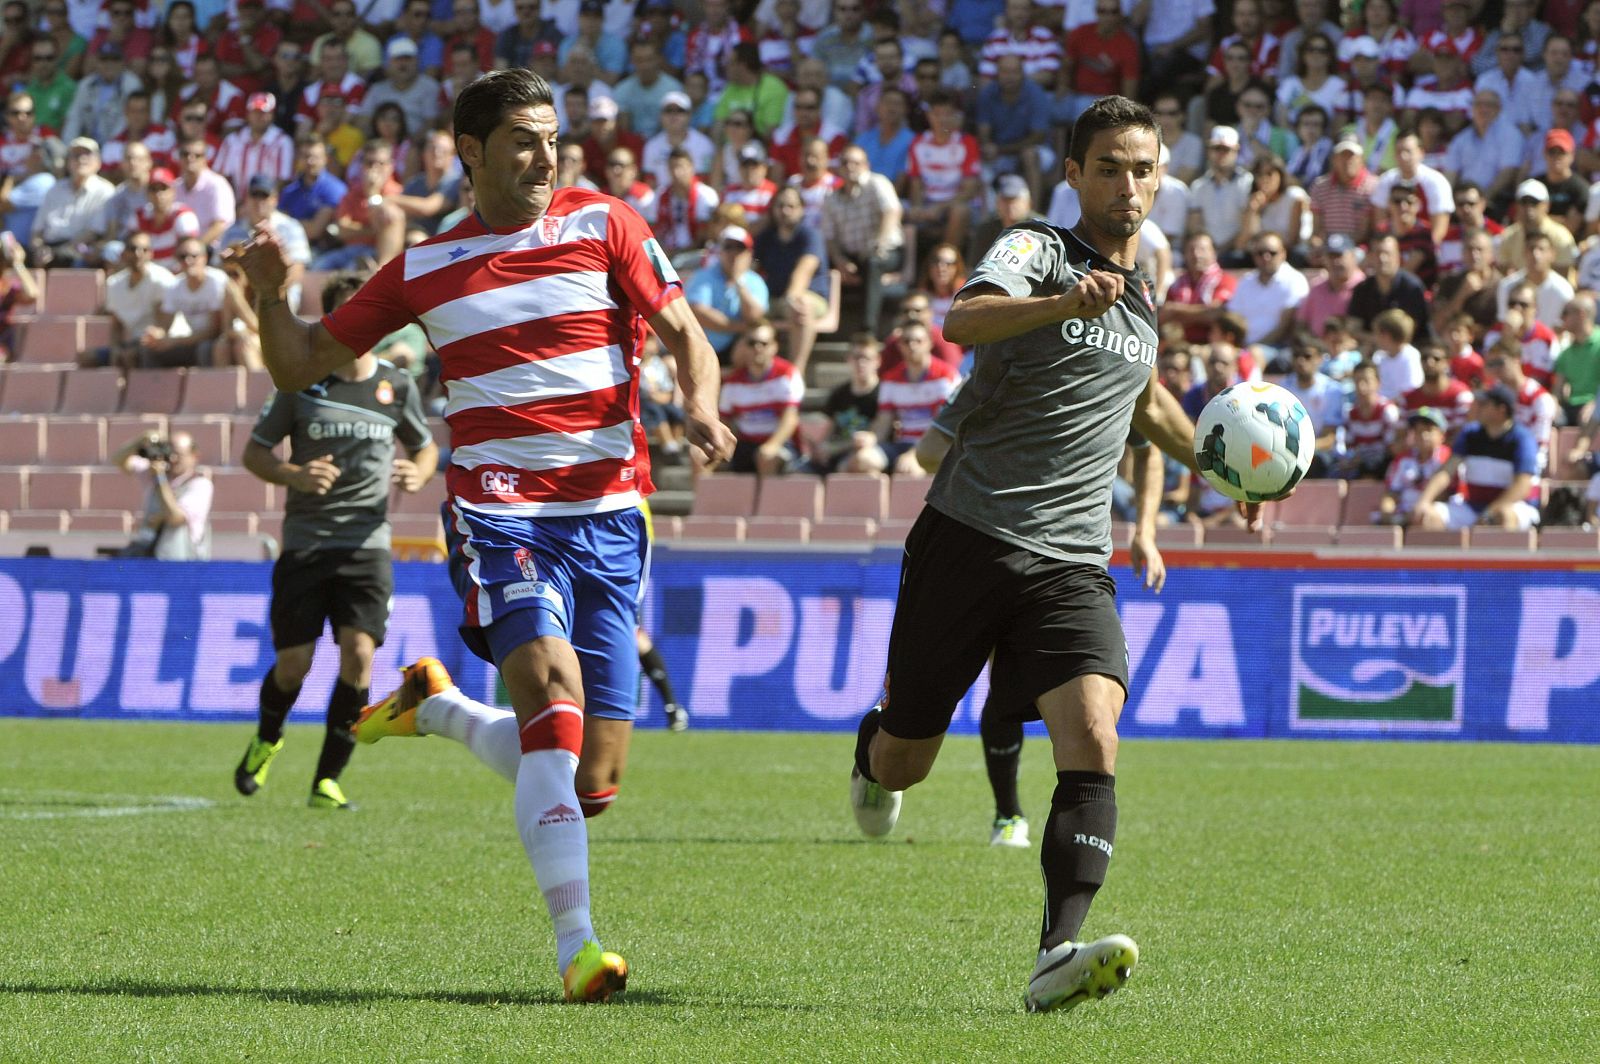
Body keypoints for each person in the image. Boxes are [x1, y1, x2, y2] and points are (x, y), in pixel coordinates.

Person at [239, 68, 734, 1005]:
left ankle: (437, 707)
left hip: (611, 513)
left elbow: (684, 334)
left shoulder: (607, 224)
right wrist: (269, 296)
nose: (545, 157)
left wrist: (702, 405)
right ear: (469, 151)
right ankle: (578, 948)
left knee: (591, 780)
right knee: (551, 690)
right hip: (500, 510)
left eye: (552, 139)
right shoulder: (424, 269)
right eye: (522, 140)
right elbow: (301, 363)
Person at [847, 96, 1254, 1015]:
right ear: (1075, 174)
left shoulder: (1143, 297)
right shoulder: (1037, 248)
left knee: (1095, 735)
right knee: (907, 760)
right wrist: (1064, 300)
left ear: (1162, 178)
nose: (1128, 185)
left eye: (1143, 169)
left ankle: (1055, 952)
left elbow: (1147, 406)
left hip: (1073, 559)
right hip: (969, 535)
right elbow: (963, 320)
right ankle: (871, 755)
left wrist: (1226, 467)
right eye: (1109, 167)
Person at [233, 272, 438, 812]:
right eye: (349, 312)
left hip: (367, 544)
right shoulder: (300, 384)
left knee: (360, 656)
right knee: (293, 665)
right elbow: (254, 454)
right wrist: (294, 476)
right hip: (306, 541)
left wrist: (418, 473)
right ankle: (268, 737)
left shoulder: (396, 385)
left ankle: (327, 779)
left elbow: (425, 448)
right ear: (332, 321)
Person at [1410, 384, 1541, 531]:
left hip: (1514, 506)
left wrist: (1489, 513)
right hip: (1472, 506)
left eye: (1484, 404)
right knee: (1427, 517)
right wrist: (1424, 501)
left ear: (1501, 410)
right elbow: (1446, 471)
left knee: (1502, 517)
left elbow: (1522, 486)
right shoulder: (1470, 433)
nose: (1476, 407)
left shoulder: (1522, 439)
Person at [715, 317, 803, 474]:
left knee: (766, 456)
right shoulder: (733, 382)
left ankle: (767, 492)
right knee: (701, 457)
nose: (757, 348)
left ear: (774, 346)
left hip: (782, 444)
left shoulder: (787, 374)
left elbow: (790, 418)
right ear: (744, 346)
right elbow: (725, 420)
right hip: (745, 443)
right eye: (752, 343)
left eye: (764, 343)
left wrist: (772, 445)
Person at [112, 429, 213, 559]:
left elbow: (176, 518)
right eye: (170, 453)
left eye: (178, 454)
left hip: (183, 560)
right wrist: (141, 441)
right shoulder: (154, 472)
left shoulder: (200, 485)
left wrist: (160, 479)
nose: (172, 459)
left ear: (194, 456)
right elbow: (118, 460)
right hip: (151, 553)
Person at [1377, 407, 1453, 525]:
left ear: (1442, 435)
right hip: (1402, 514)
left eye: (1429, 430)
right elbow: (1391, 493)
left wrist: (1418, 511)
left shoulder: (1449, 459)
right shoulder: (1402, 459)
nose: (1423, 435)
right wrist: (1387, 513)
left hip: (1434, 513)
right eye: (1418, 430)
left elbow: (1449, 494)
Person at [1554, 293, 1600, 425]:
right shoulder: (1565, 353)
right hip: (1571, 407)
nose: (1561, 318)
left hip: (1594, 406)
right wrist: (1554, 405)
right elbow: (1557, 390)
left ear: (1581, 314)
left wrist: (1595, 405)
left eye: (1565, 313)